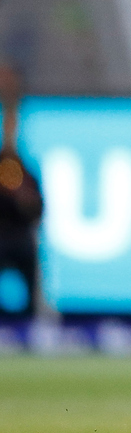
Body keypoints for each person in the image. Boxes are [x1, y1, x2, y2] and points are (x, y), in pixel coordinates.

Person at [0, 65, 42, 317]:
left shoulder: (26, 171)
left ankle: (33, 318)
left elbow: (37, 211)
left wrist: (24, 199)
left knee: (27, 257)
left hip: (19, 239)